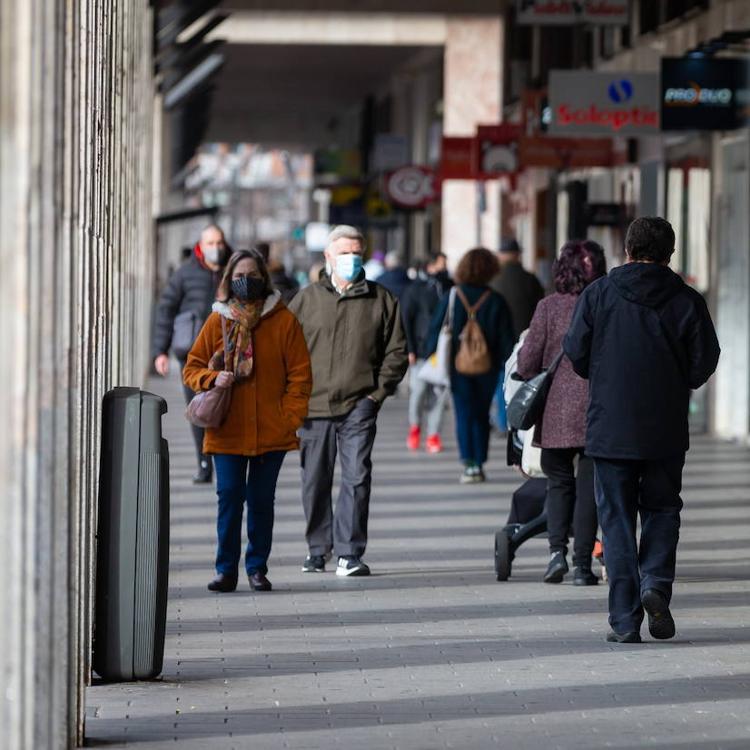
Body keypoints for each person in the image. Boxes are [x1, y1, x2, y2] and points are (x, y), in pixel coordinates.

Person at [564, 217, 720, 643]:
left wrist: (602, 372)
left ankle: (624, 620)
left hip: (610, 426)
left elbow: (575, 352)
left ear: (627, 251)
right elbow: (705, 359)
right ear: (670, 254)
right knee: (663, 511)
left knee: (615, 519)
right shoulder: (687, 300)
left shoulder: (599, 294)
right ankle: (655, 584)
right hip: (665, 428)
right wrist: (676, 383)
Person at [183, 250, 312, 593]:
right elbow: (191, 368)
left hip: (272, 430)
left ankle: (257, 567)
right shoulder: (218, 321)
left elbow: (300, 375)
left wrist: (290, 417)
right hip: (228, 430)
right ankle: (225, 570)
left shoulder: (284, 321)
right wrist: (213, 379)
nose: (247, 280)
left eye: (253, 274)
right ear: (229, 279)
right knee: (228, 498)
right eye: (240, 274)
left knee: (260, 502)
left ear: (264, 278)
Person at [288, 225, 408, 576]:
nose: (350, 259)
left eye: (356, 253)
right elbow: (284, 351)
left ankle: (349, 553)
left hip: (359, 404)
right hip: (313, 407)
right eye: (344, 253)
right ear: (328, 257)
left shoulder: (381, 299)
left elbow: (397, 351)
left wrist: (377, 394)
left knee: (357, 476)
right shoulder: (306, 300)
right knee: (315, 479)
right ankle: (317, 548)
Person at [517, 240, 607, 586]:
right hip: (597, 408)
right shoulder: (607, 302)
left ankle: (557, 553)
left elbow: (528, 361)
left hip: (555, 410)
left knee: (558, 483)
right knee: (590, 489)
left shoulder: (549, 307)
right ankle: (583, 567)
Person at [428, 247, 515, 484]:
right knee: (481, 412)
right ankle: (480, 460)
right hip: (488, 366)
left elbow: (436, 327)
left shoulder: (453, 295)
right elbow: (507, 339)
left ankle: (469, 463)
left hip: (457, 367)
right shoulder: (496, 300)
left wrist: (428, 355)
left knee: (464, 413)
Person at [152, 224, 230, 483]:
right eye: (210, 243)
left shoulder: (233, 268)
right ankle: (204, 462)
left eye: (219, 243)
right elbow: (166, 310)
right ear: (200, 245)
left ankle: (227, 461)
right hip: (193, 357)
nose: (215, 249)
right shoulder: (185, 274)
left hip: (228, 355)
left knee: (228, 409)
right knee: (199, 409)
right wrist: (159, 351)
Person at [490, 238, 545, 434]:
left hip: (498, 339)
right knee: (519, 378)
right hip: (524, 338)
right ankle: (513, 420)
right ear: (517, 255)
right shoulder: (530, 279)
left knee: (500, 380)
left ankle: (501, 420)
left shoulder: (493, 280)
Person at [400, 252, 453, 453]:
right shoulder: (415, 290)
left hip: (443, 351)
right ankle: (415, 427)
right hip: (422, 351)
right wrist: (410, 349)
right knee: (419, 392)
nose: (444, 269)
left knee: (439, 395)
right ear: (430, 267)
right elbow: (407, 319)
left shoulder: (449, 288)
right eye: (441, 265)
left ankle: (433, 434)